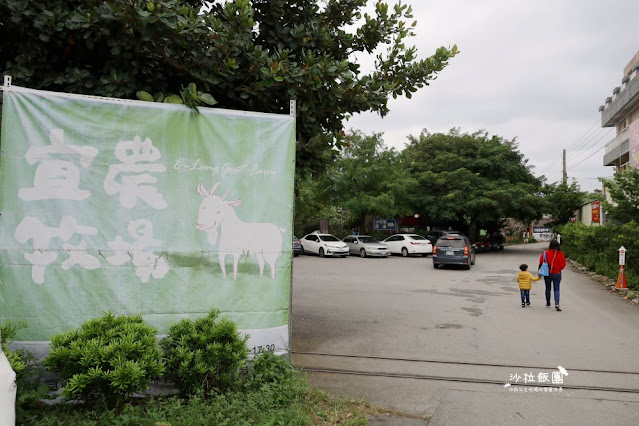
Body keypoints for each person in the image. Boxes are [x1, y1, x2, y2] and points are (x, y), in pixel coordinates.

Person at [539, 240, 567, 311]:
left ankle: (548, 303)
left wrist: (540, 272)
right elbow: (563, 264)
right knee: (557, 288)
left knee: (548, 288)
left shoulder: (545, 253)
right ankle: (557, 303)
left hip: (547, 273)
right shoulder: (561, 254)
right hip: (557, 273)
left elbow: (541, 263)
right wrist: (558, 269)